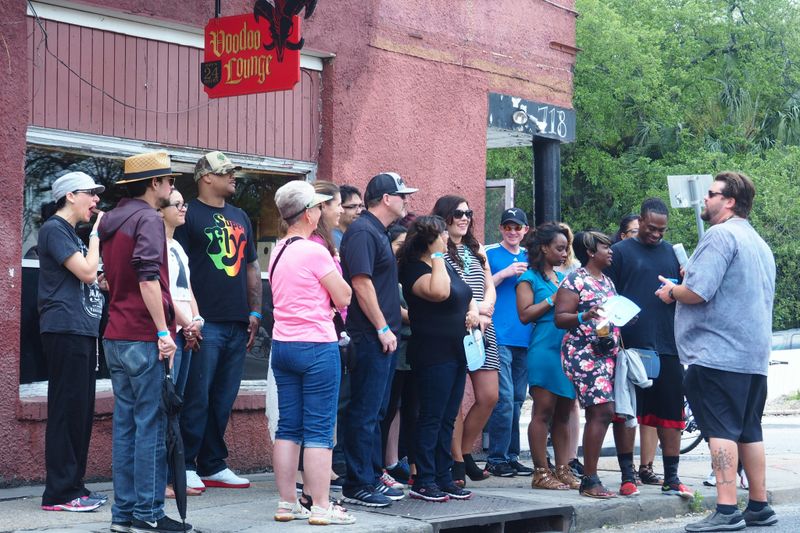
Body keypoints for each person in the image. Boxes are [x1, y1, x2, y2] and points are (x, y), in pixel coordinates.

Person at [656, 172, 777, 532]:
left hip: (717, 353)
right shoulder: (758, 241)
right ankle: (759, 504)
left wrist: (673, 291)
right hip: (753, 357)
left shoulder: (720, 235)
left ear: (729, 201)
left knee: (720, 430)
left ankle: (726, 510)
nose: (704, 200)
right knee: (749, 431)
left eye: (711, 194)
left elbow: (698, 291)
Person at [98, 151, 189, 532]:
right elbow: (148, 278)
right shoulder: (148, 218)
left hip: (115, 335)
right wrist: (164, 332)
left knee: (127, 426)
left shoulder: (111, 219)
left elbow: (107, 278)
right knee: (150, 425)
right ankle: (148, 516)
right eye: (168, 181)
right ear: (154, 184)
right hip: (142, 335)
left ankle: (124, 516)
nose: (171, 187)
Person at [270, 180, 355, 526]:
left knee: (288, 427)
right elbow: (344, 296)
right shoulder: (315, 251)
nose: (322, 211)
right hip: (316, 345)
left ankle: (287, 503)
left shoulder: (278, 249)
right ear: (307, 214)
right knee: (319, 429)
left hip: (283, 345)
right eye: (318, 206)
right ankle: (321, 505)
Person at [174, 151, 260, 492]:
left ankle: (213, 463)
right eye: (226, 172)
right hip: (203, 321)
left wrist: (255, 311)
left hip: (238, 320)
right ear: (205, 177)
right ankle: (186, 463)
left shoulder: (240, 215)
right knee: (197, 396)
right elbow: (179, 270)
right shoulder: (188, 215)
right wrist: (189, 319)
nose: (233, 177)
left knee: (224, 397)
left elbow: (251, 265)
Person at [340, 172, 417, 507]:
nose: (407, 201)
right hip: (370, 336)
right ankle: (357, 483)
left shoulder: (379, 232)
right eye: (403, 196)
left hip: (383, 337)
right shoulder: (362, 231)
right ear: (387, 198)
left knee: (377, 410)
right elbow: (361, 284)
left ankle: (370, 475)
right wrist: (383, 328)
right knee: (364, 411)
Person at [606, 199, 692, 499]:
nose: (656, 234)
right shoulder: (619, 253)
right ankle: (627, 477)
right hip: (630, 345)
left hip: (668, 344)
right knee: (627, 413)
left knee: (670, 413)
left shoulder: (671, 253)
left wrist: (685, 278)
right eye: (651, 228)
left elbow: (686, 294)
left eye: (662, 230)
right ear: (640, 221)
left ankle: (671, 477)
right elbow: (608, 297)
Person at [38, 172, 107, 512]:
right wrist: (96, 237)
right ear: (70, 196)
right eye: (90, 195)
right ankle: (58, 493)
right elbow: (86, 272)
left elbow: (95, 279)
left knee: (80, 412)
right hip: (64, 330)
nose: (96, 201)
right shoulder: (55, 229)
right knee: (66, 412)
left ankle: (75, 487)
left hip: (82, 331)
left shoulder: (71, 235)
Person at [398, 215, 479, 502]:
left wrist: (473, 311)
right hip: (432, 352)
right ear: (430, 240)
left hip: (457, 350)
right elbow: (441, 291)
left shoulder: (443, 265)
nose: (447, 239)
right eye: (442, 235)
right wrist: (436, 255)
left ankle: (444, 476)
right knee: (430, 417)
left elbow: (465, 292)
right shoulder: (414, 269)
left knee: (447, 418)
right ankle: (424, 478)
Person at [432, 196, 498, 487]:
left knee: (489, 396)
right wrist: (474, 311)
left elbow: (489, 284)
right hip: (456, 325)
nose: (465, 217)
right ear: (445, 216)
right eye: (458, 213)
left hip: (483, 327)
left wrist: (485, 310)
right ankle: (457, 458)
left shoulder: (476, 247)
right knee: (454, 400)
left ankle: (467, 450)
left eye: (468, 212)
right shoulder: (438, 248)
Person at [555, 230, 620, 499]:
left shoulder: (607, 282)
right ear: (591, 252)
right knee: (601, 411)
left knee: (604, 412)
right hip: (583, 353)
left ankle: (590, 477)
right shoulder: (575, 280)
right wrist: (585, 314)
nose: (611, 251)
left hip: (605, 353)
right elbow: (560, 318)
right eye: (605, 247)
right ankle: (589, 480)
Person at [517, 223, 580, 491]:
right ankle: (540, 472)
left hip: (567, 349)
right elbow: (525, 315)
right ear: (544, 248)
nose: (565, 253)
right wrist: (553, 299)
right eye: (559, 248)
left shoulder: (563, 277)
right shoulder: (528, 279)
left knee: (564, 412)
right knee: (542, 411)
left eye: (566, 249)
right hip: (544, 348)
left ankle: (563, 468)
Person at [160, 188, 204, 499]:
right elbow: (162, 290)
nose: (183, 208)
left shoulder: (177, 246)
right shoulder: (156, 245)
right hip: (170, 333)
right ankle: (161, 479)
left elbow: (186, 289)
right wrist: (184, 323)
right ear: (160, 210)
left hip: (187, 331)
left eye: (184, 203)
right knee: (165, 406)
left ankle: (176, 476)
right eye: (177, 204)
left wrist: (197, 320)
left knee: (180, 406)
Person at [484, 208, 534, 478]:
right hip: (498, 336)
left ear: (525, 230)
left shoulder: (531, 258)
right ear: (501, 229)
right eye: (508, 227)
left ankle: (511, 456)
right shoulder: (490, 254)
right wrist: (504, 273)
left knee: (516, 399)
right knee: (502, 399)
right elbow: (478, 288)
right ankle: (496, 457)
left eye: (518, 227)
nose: (513, 232)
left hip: (525, 336)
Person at [380, 223, 416, 486]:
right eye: (398, 246)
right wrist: (425, 317)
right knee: (387, 406)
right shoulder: (384, 271)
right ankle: (381, 462)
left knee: (402, 406)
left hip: (410, 348)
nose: (402, 251)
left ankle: (393, 460)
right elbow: (393, 306)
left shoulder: (405, 269)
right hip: (394, 343)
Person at [555, 222, 584, 478]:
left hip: (572, 338)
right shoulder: (539, 271)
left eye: (565, 245)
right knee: (548, 402)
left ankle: (571, 457)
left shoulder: (575, 270)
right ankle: (552, 462)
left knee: (571, 401)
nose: (562, 251)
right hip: (547, 339)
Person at [332, 184, 364, 249]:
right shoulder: (332, 238)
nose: (359, 211)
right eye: (352, 207)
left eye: (360, 206)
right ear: (339, 208)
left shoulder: (358, 235)